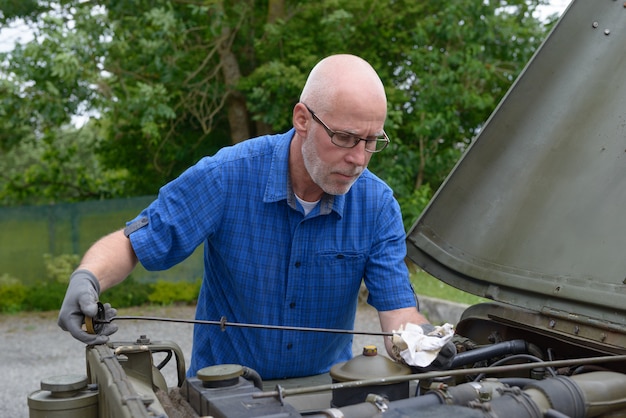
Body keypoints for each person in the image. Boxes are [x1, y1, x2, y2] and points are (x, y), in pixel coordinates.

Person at [58, 54, 453, 380]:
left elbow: (398, 315)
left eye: (371, 142)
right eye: (345, 138)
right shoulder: (226, 176)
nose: (358, 159)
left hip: (323, 391)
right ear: (302, 119)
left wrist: (427, 345)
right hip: (222, 389)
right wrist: (86, 278)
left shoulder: (377, 205)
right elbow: (136, 241)